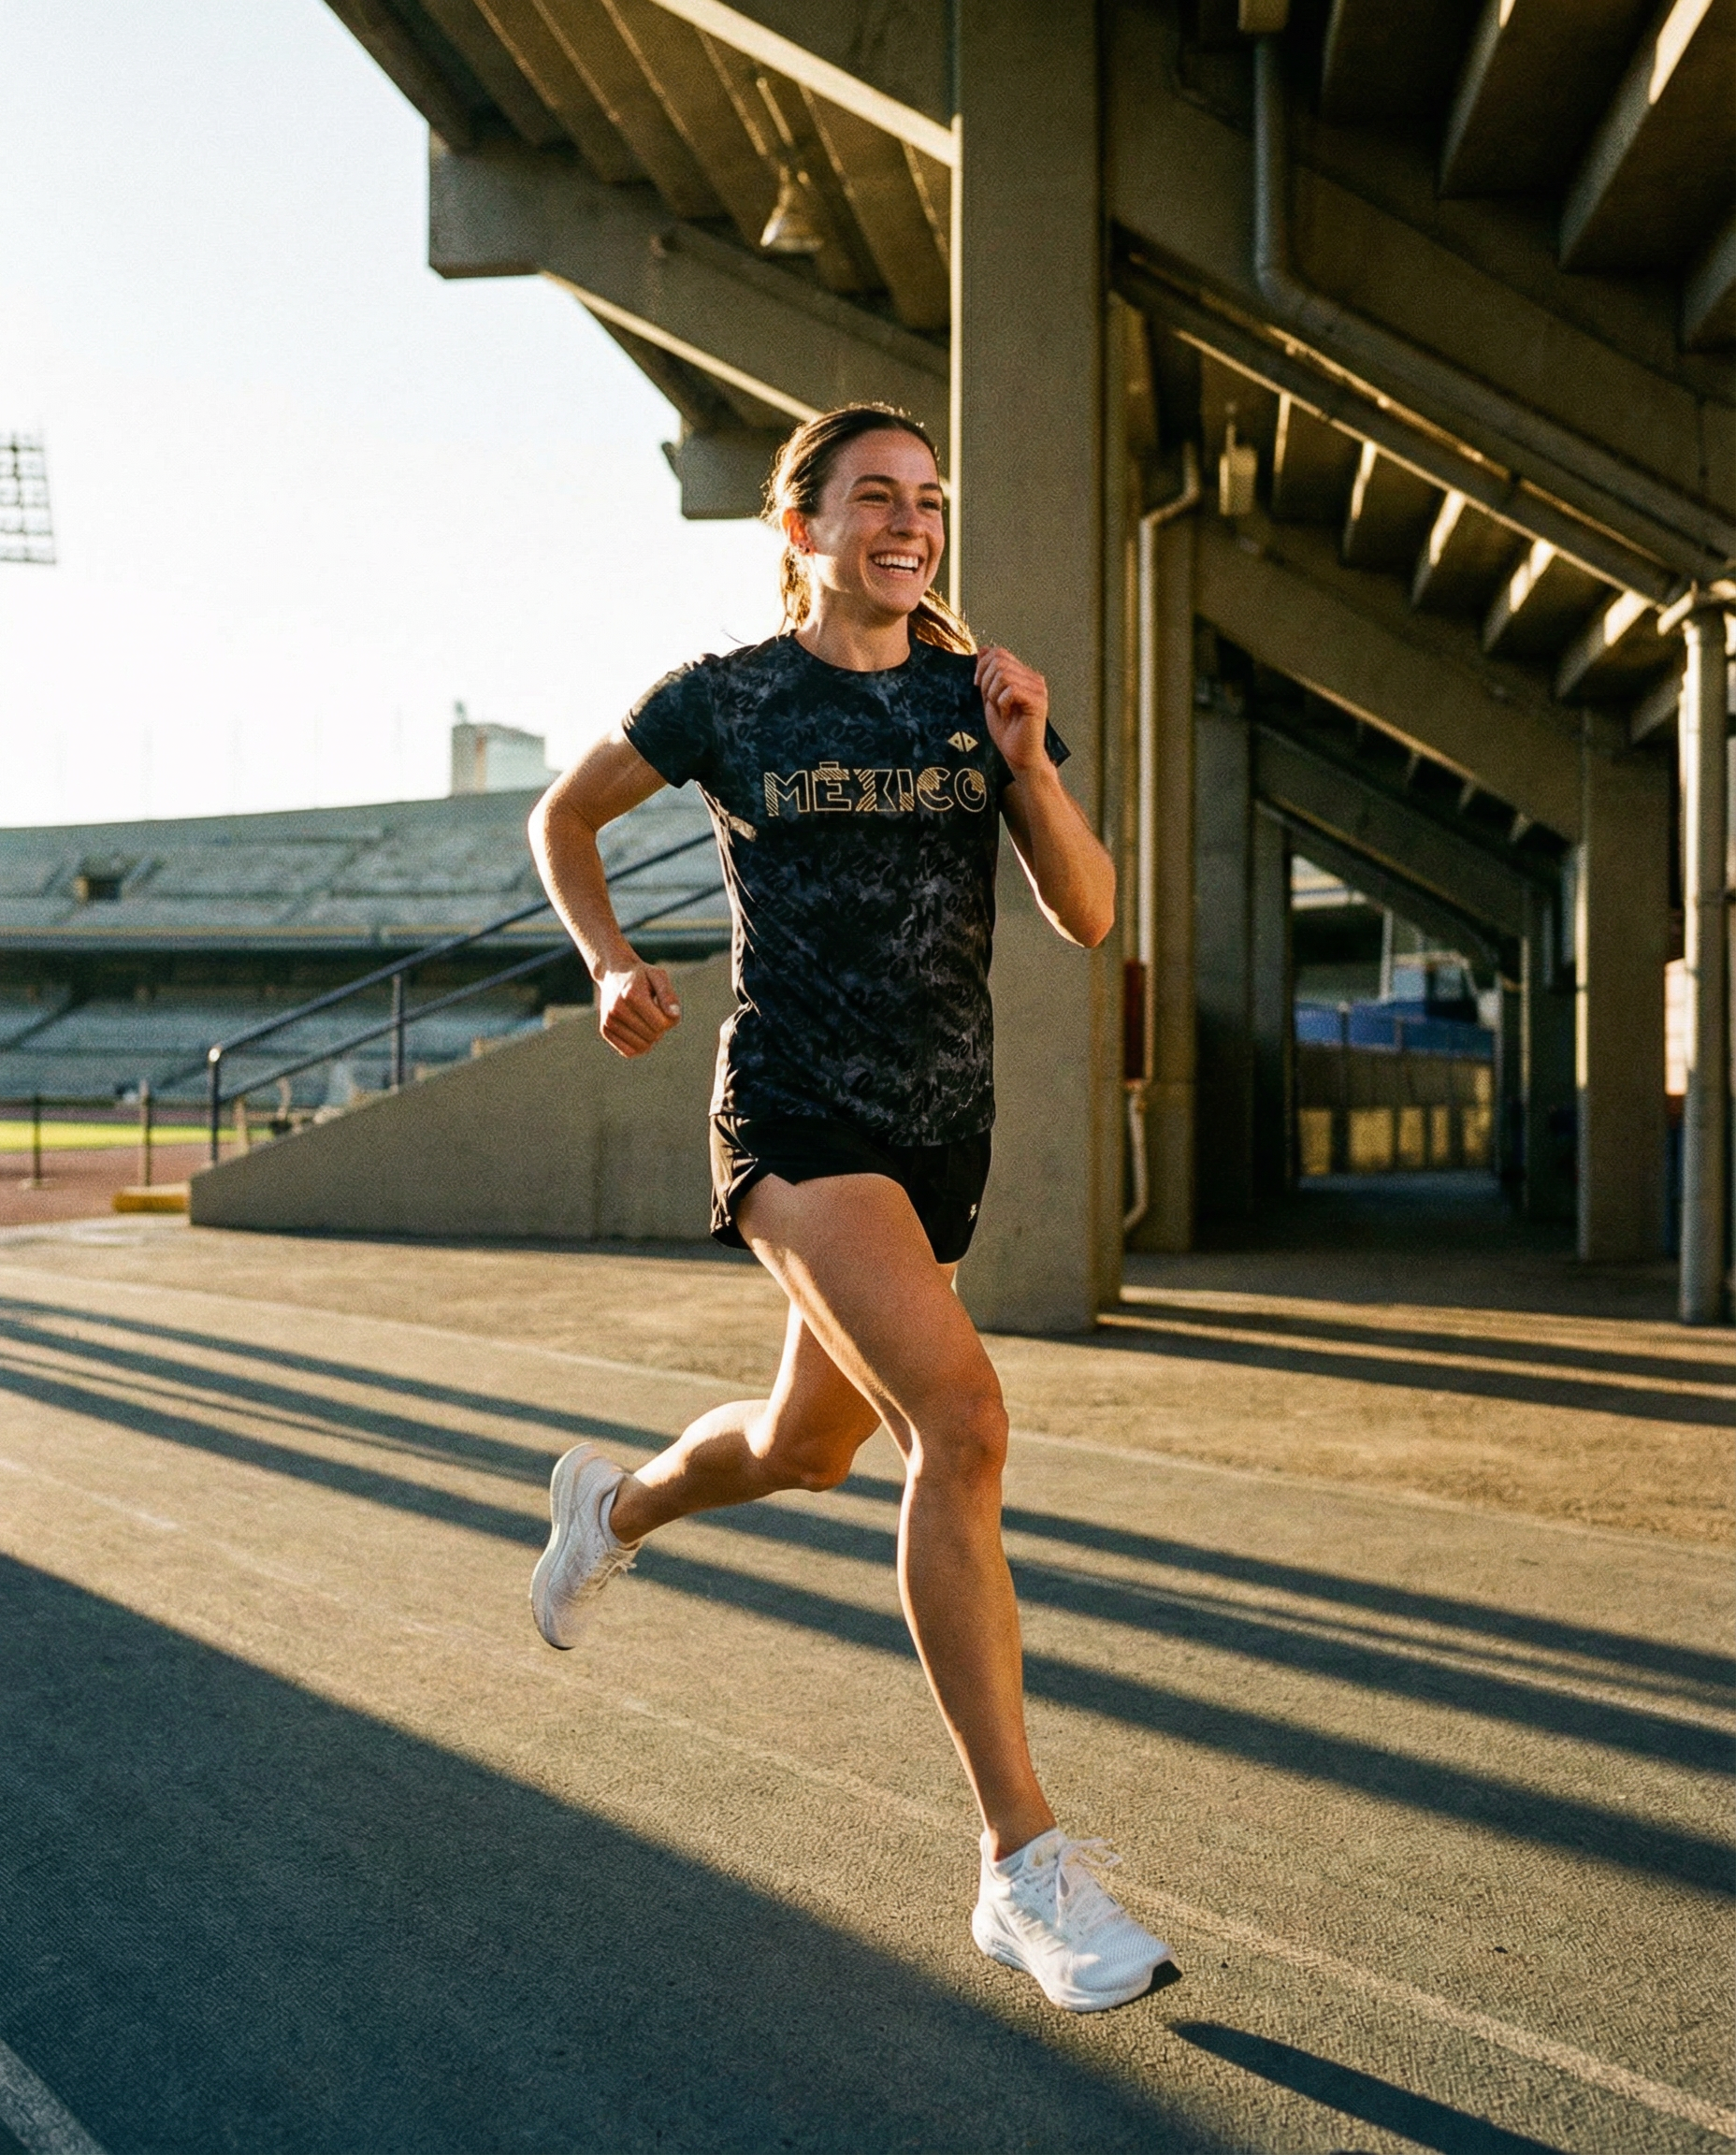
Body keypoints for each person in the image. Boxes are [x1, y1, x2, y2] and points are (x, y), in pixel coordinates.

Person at [526, 402, 1179, 2013]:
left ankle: (612, 1512)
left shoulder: (979, 697)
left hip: (941, 1132)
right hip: (797, 1123)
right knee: (960, 1423)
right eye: (876, 497)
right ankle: (1022, 1866)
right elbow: (565, 816)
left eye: (928, 501)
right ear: (801, 525)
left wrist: (1026, 760)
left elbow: (1089, 911)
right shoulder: (726, 696)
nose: (910, 523)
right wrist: (609, 961)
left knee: (801, 1448)